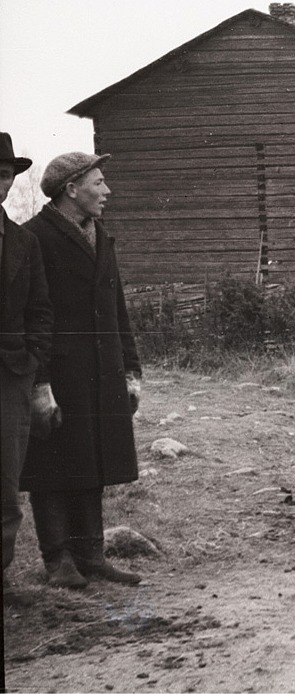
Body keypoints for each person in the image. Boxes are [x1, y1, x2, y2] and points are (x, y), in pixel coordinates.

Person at [21, 152, 143, 588]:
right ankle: (58, 561)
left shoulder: (101, 236)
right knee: (52, 465)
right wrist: (39, 383)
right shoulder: (32, 238)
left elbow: (117, 309)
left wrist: (131, 369)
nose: (106, 191)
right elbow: (28, 314)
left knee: (93, 459)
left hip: (102, 371)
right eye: (97, 183)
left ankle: (92, 555)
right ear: (71, 189)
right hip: (57, 374)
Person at [1, 133, 54, 597]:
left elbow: (40, 309)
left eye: (2, 175)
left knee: (5, 484)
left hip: (10, 375)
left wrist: (32, 360)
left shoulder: (23, 241)